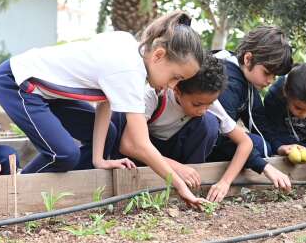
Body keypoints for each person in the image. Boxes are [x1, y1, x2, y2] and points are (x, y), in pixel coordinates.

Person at [0, 11, 205, 207]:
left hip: (47, 91)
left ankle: (62, 192)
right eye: (176, 77)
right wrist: (179, 185)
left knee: (109, 133)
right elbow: (141, 144)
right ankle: (15, 194)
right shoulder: (129, 70)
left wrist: (99, 160)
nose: (173, 86)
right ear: (158, 55)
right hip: (18, 83)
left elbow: (105, 101)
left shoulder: (130, 48)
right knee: (64, 154)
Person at [110, 56, 290, 202]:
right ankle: (179, 180)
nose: (203, 109)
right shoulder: (154, 95)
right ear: (177, 89)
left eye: (209, 103)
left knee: (209, 123)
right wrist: (177, 168)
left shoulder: (207, 102)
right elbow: (129, 145)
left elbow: (245, 142)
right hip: (141, 155)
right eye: (197, 104)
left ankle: (191, 185)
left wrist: (225, 182)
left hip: (174, 152)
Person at [208, 26, 293, 179]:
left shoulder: (247, 81)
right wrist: (263, 164)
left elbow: (260, 122)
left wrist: (279, 147)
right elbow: (220, 134)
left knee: (262, 144)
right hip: (201, 145)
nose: (270, 81)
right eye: (267, 73)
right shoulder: (227, 81)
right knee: (257, 144)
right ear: (248, 59)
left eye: (275, 76)